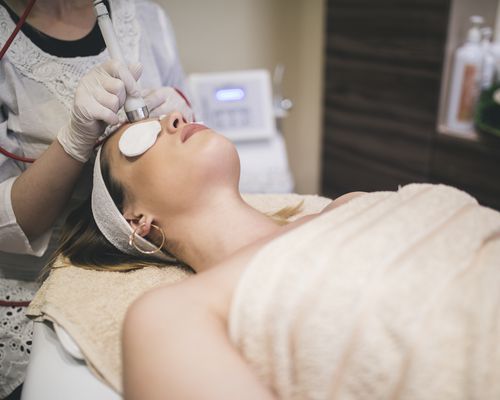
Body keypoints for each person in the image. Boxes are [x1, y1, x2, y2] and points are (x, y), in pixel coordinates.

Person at [52, 113, 365, 399]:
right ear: (135, 220)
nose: (176, 117)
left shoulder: (348, 207)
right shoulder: (167, 317)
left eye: (166, 117)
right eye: (143, 137)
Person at [0, 0, 191, 397]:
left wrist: (185, 109)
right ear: (138, 221)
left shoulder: (145, 17)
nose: (174, 125)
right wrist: (72, 143)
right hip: (32, 288)